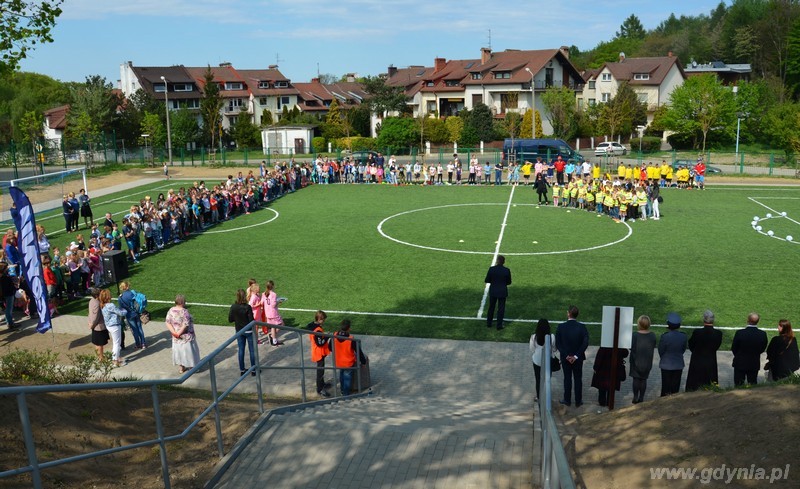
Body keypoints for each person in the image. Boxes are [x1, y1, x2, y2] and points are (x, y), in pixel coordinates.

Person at [555, 305, 589, 407]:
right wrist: (576, 356)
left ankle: (567, 400)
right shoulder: (582, 327)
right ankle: (578, 401)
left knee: (567, 378)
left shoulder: (561, 327)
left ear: (568, 313)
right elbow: (585, 343)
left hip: (566, 359)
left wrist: (566, 356)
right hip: (578, 359)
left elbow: (558, 343)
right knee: (578, 379)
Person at [685, 310, 723, 391]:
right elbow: (717, 346)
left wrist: (696, 352)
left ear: (704, 319)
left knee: (693, 385)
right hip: (711, 361)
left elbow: (691, 345)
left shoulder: (697, 332)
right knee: (710, 384)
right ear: (713, 320)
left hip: (697, 360)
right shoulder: (718, 333)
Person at [165, 294, 201, 374]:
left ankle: (181, 368)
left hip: (176, 337)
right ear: (183, 302)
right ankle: (193, 368)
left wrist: (174, 333)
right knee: (189, 352)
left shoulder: (171, 310)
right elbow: (185, 324)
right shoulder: (185, 312)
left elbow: (167, 323)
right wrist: (178, 333)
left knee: (178, 352)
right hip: (186, 337)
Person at [331, 318, 367, 396]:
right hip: (348, 362)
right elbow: (359, 352)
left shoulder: (334, 335)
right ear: (349, 328)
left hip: (338, 361)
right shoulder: (351, 339)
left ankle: (342, 391)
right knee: (347, 377)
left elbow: (330, 348)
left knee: (341, 375)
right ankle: (346, 394)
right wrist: (363, 362)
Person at [731, 312, 768, 386]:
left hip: (740, 362)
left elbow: (734, 348)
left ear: (748, 320)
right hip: (754, 363)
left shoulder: (740, 333)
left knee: (738, 385)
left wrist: (739, 355)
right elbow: (762, 348)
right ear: (758, 321)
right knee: (753, 384)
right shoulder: (762, 334)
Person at [658, 312, 687, 396]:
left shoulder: (665, 336)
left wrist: (664, 358)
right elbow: (683, 349)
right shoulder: (683, 336)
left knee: (665, 387)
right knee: (675, 388)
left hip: (666, 365)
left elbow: (661, 350)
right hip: (678, 364)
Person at [629, 315, 656, 404]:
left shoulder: (635, 335)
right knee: (643, 379)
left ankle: (635, 397)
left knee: (636, 379)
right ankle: (641, 397)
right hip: (647, 362)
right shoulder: (652, 335)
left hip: (635, 361)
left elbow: (631, 347)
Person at [229, 288, 256, 376]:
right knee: (252, 350)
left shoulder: (233, 307)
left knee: (241, 350)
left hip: (239, 331)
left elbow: (230, 319)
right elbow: (251, 320)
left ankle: (242, 369)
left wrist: (237, 318)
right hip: (248, 331)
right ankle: (253, 370)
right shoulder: (247, 307)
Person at [307, 310, 332, 397]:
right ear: (320, 319)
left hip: (318, 351)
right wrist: (327, 337)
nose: (324, 322)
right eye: (323, 320)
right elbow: (320, 343)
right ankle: (320, 389)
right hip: (319, 352)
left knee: (321, 369)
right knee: (320, 371)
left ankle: (322, 384)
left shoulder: (313, 326)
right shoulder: (317, 331)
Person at [99, 289, 126, 367]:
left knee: (116, 343)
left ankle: (117, 358)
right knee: (117, 344)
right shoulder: (110, 305)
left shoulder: (102, 305)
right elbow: (120, 313)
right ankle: (115, 361)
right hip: (114, 326)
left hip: (109, 326)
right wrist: (125, 310)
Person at [529, 318, 556, 400]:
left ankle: (539, 396)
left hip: (537, 361)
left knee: (538, 379)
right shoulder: (552, 337)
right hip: (548, 361)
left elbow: (532, 349)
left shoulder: (534, 337)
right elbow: (554, 349)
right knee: (547, 379)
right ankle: (546, 396)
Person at [484, 255, 511, 330]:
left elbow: (487, 280)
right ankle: (499, 325)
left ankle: (489, 323)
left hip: (493, 291)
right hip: (502, 291)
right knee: (501, 308)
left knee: (491, 307)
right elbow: (509, 282)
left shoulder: (491, 269)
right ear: (504, 262)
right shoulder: (506, 270)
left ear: (497, 261)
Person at [118, 281, 146, 349]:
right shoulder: (133, 293)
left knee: (134, 330)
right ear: (127, 286)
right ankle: (143, 344)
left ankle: (138, 344)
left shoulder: (120, 298)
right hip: (136, 313)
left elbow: (121, 308)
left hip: (129, 315)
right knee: (140, 328)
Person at [261, 280, 285, 346]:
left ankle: (274, 340)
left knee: (273, 327)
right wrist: (278, 302)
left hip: (267, 313)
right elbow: (273, 305)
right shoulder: (273, 294)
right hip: (273, 313)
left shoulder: (264, 294)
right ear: (273, 286)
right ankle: (272, 336)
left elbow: (261, 303)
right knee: (281, 324)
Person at [88, 288, 109, 361]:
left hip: (94, 326)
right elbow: (95, 316)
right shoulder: (97, 303)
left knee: (97, 343)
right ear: (97, 295)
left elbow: (90, 313)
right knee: (100, 344)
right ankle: (101, 357)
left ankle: (99, 356)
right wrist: (92, 324)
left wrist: (89, 322)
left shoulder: (91, 301)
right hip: (98, 326)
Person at [1, 263, 16, 329]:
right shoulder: (5, 278)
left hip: (3, 295)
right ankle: (10, 323)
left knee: (7, 309)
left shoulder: (4, 277)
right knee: (9, 309)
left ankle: (9, 322)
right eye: (7, 267)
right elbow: (9, 287)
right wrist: (14, 287)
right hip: (9, 294)